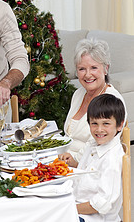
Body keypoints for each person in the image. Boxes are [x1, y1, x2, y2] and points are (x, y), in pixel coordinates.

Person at [59, 94, 125, 222]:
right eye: (94, 123)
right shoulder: (93, 145)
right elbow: (89, 172)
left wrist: (69, 208)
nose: (99, 130)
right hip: (79, 204)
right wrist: (72, 162)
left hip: (94, 218)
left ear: (119, 125)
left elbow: (101, 203)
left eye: (106, 123)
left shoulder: (111, 158)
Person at [64, 38, 127, 161]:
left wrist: (73, 161)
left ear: (105, 69)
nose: (87, 75)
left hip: (88, 165)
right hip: (64, 159)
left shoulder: (113, 100)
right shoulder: (78, 94)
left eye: (93, 68)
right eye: (82, 69)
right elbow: (68, 136)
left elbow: (100, 146)